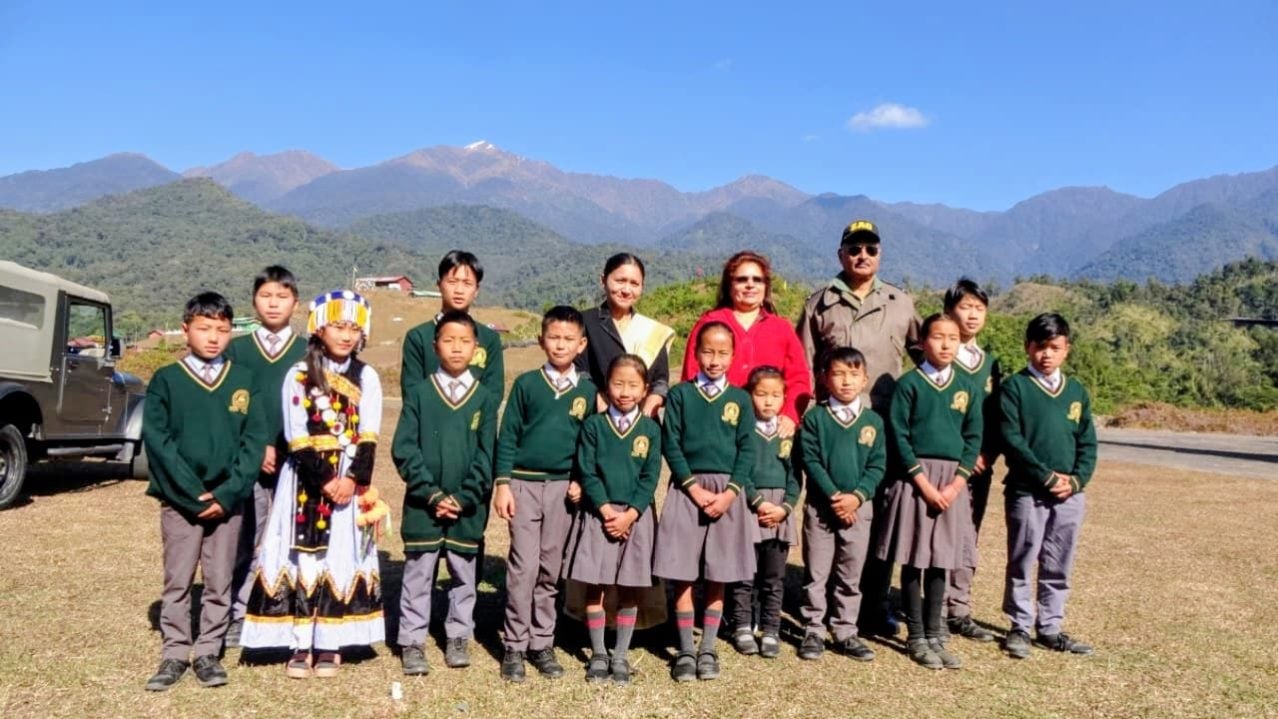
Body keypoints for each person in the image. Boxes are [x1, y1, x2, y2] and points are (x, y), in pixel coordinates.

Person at [240, 290, 385, 678]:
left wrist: (352, 480)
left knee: (341, 555)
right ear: (319, 328)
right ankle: (299, 643)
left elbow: (369, 433)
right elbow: (297, 435)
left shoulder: (367, 376)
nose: (346, 335)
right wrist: (326, 481)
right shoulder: (299, 374)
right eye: (339, 325)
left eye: (354, 328)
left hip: (349, 479)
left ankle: (330, 644)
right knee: (304, 556)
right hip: (306, 479)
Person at [795, 219, 920, 638]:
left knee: (878, 521)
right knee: (827, 517)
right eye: (853, 248)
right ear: (840, 254)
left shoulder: (901, 302)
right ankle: (823, 610)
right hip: (830, 430)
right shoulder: (819, 304)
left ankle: (874, 605)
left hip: (882, 431)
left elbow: (926, 360)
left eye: (870, 248)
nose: (861, 255)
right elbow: (803, 366)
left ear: (880, 254)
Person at [143, 292, 267, 691]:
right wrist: (192, 494)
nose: (213, 337)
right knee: (177, 580)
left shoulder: (245, 381)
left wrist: (227, 494)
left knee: (219, 580)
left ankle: (208, 651)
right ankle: (175, 652)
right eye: (204, 328)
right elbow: (158, 443)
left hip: (228, 503)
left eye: (222, 329)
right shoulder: (167, 379)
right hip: (181, 502)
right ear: (186, 329)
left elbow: (253, 444)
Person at [393, 310, 500, 675]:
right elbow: (404, 449)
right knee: (419, 575)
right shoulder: (420, 393)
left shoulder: (485, 398)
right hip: (423, 506)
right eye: (448, 340)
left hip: (467, 508)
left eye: (465, 341)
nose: (456, 348)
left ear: (476, 349)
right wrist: (433, 495)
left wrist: (464, 496)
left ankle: (458, 635)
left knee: (463, 575)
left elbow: (488, 455)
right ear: (435, 345)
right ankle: (411, 640)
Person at [493, 306, 595, 683]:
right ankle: (515, 646)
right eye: (554, 337)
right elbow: (508, 438)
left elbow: (589, 443)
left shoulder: (588, 391)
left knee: (551, 570)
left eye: (569, 339)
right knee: (523, 567)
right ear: (541, 340)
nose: (560, 345)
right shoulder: (526, 384)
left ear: (581, 344)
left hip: (561, 491)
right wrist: (502, 484)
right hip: (522, 484)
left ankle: (542, 643)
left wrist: (580, 479)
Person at [876, 313, 982, 670]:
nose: (946, 344)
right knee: (913, 557)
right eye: (938, 337)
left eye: (953, 337)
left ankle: (937, 631)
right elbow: (899, 436)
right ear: (923, 342)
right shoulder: (910, 384)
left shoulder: (967, 387)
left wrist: (956, 485)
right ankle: (917, 635)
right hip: (915, 479)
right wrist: (922, 483)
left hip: (952, 482)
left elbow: (973, 438)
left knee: (941, 560)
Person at [654, 322, 757, 682]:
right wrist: (693, 489)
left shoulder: (741, 399)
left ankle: (708, 647)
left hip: (727, 494)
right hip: (687, 490)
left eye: (723, 352)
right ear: (696, 353)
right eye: (708, 352)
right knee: (682, 573)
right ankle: (684, 649)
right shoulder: (681, 395)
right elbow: (671, 444)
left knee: (719, 575)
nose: (714, 360)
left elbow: (748, 449)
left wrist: (730, 493)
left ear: (733, 355)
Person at [1000, 313, 1097, 659]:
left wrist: (1076, 479)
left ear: (1066, 350)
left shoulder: (1076, 392)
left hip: (1069, 494)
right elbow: (1012, 439)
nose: (1046, 354)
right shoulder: (1015, 387)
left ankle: (1051, 627)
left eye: (1054, 347)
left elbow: (1087, 443)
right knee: (1023, 558)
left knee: (1059, 560)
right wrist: (1046, 477)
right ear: (1028, 347)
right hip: (1028, 490)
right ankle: (1020, 626)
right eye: (1040, 347)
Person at [562, 354, 662, 685]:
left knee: (629, 587)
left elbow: (650, 477)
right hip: (597, 516)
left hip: (636, 518)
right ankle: (599, 653)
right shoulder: (593, 426)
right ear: (606, 387)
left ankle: (620, 654)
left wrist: (630, 514)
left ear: (645, 389)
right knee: (597, 586)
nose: (624, 391)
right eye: (618, 383)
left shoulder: (650, 428)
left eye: (633, 384)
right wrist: (606, 511)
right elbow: (587, 470)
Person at [225, 265, 306, 647]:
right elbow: (230, 407)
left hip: (298, 464)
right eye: (266, 296)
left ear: (295, 303)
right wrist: (257, 448)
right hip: (250, 462)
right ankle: (239, 613)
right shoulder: (237, 349)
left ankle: (284, 608)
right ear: (254, 301)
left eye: (282, 296)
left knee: (294, 537)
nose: (274, 304)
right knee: (247, 539)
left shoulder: (308, 351)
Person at [796, 347, 885, 662]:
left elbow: (877, 466)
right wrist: (835, 497)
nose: (846, 381)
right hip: (821, 509)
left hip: (859, 511)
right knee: (817, 572)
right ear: (824, 378)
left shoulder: (873, 421)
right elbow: (811, 460)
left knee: (850, 573)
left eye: (854, 374)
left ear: (865, 380)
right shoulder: (815, 418)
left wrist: (857, 497)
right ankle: (813, 629)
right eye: (838, 373)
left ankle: (846, 630)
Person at [682, 251, 811, 436]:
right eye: (742, 279)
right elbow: (691, 375)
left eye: (757, 280)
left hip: (769, 431)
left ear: (766, 286)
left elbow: (798, 379)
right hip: (717, 428)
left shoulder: (781, 328)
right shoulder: (710, 323)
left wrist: (790, 415)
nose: (750, 285)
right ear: (729, 285)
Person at [943, 279, 1002, 643]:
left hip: (979, 468)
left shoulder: (991, 364)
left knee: (968, 537)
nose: (973, 314)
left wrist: (986, 454)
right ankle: (931, 606)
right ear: (950, 311)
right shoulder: (935, 356)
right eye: (966, 307)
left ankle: (959, 608)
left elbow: (998, 417)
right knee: (937, 537)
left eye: (979, 308)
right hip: (943, 467)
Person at [729, 366, 800, 659]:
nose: (768, 402)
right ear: (749, 396)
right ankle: (742, 625)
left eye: (775, 395)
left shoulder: (789, 434)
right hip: (749, 508)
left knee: (773, 576)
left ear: (784, 397)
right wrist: (758, 502)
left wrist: (784, 508)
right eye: (761, 395)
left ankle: (770, 628)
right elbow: (740, 471)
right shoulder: (743, 431)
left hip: (780, 511)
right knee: (744, 574)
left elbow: (796, 477)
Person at [576, 253, 675, 417]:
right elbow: (578, 372)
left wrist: (647, 411)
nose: (627, 290)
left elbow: (660, 382)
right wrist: (598, 401)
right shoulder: (585, 322)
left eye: (634, 283)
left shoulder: (653, 331)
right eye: (620, 281)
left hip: (642, 425)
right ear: (603, 280)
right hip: (597, 421)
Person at [401, 251, 505, 399]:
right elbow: (411, 394)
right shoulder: (418, 337)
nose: (459, 290)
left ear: (476, 290)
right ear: (439, 285)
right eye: (452, 282)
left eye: (467, 283)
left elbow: (494, 393)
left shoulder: (490, 339)